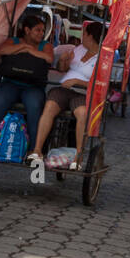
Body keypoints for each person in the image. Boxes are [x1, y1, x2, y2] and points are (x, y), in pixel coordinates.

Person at [0, 13, 51, 159]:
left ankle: (32, 149)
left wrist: (29, 50)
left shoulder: (46, 45)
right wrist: (23, 45)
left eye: (43, 31)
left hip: (33, 86)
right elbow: (3, 51)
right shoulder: (13, 40)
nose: (41, 34)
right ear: (27, 30)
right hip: (11, 83)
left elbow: (48, 58)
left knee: (34, 107)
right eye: (38, 30)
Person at [30, 20, 103, 165]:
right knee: (49, 106)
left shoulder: (103, 57)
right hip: (64, 89)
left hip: (83, 93)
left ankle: (79, 155)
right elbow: (62, 69)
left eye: (84, 33)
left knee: (82, 113)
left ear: (90, 36)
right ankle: (37, 150)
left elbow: (100, 84)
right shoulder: (79, 49)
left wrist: (77, 81)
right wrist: (63, 62)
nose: (82, 36)